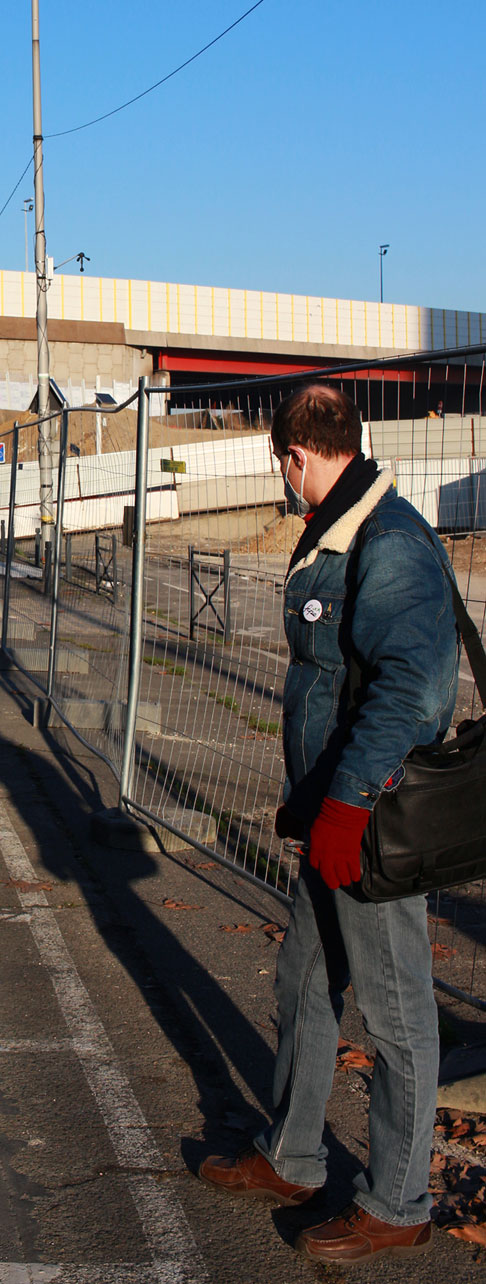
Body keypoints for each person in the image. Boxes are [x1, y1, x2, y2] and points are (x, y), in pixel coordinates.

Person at [198, 383, 460, 1263]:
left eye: (280, 466)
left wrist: (346, 803)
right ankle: (295, 1156)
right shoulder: (342, 525)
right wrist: (316, 803)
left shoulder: (387, 542)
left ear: (294, 456)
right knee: (305, 983)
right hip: (331, 817)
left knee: (394, 1014)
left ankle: (397, 1201)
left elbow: (414, 692)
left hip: (374, 827)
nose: (282, 479)